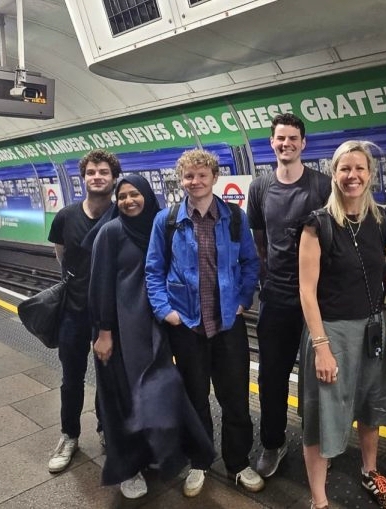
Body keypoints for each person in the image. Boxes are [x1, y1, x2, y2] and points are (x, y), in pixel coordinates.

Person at [87, 174, 215, 498]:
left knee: (158, 393)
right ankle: (129, 468)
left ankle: (159, 454)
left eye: (135, 194)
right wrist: (103, 333)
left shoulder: (161, 227)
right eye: (122, 196)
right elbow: (99, 285)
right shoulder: (110, 232)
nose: (129, 201)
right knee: (125, 399)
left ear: (147, 195)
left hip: (157, 326)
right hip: (121, 330)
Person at [145, 149, 264, 496]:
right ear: (181, 180)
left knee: (236, 399)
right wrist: (165, 311)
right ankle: (199, 462)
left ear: (214, 177)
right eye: (188, 176)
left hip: (227, 325)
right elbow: (153, 270)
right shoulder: (166, 221)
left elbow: (251, 263)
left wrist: (243, 300)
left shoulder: (235, 218)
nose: (195, 181)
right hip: (187, 327)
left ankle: (238, 463)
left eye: (201, 175)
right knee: (194, 399)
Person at [298, 140, 386, 509]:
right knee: (323, 415)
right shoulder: (318, 225)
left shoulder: (383, 220)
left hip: (372, 329)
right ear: (334, 173)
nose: (352, 175)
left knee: (370, 406)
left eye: (360, 168)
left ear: (370, 174)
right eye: (345, 168)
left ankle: (370, 471)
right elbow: (306, 292)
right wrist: (321, 347)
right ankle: (320, 500)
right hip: (331, 331)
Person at [247, 113, 331, 477]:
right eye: (280, 138)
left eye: (293, 138)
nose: (286, 144)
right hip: (277, 298)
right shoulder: (260, 187)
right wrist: (267, 279)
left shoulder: (323, 186)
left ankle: (322, 441)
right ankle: (273, 442)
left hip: (319, 299)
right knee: (271, 376)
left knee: (321, 376)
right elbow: (259, 240)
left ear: (303, 143)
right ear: (272, 143)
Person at [46, 149, 119, 473]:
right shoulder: (66, 216)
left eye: (103, 172)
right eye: (91, 172)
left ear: (114, 178)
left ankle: (106, 429)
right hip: (73, 312)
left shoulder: (121, 214)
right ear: (83, 178)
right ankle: (69, 436)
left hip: (109, 314)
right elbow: (61, 255)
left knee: (109, 377)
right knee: (71, 378)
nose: (97, 177)